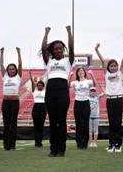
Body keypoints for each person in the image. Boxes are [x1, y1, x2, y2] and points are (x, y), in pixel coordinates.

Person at [41, 26, 74, 157]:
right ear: (53, 51)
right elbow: (44, 48)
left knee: (61, 120)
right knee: (53, 121)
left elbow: (71, 48)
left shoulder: (67, 62)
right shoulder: (49, 62)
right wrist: (46, 33)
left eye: (60, 48)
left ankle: (62, 149)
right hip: (50, 91)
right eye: (56, 49)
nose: (59, 50)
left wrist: (69, 32)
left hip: (62, 91)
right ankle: (53, 148)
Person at [95, 40, 123, 153]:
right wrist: (97, 50)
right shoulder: (106, 74)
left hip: (119, 99)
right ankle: (111, 144)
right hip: (109, 100)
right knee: (111, 123)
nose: (113, 67)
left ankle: (118, 144)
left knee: (118, 122)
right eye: (111, 66)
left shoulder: (120, 73)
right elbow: (102, 61)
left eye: (115, 66)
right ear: (109, 67)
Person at [69, 68, 98, 149]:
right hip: (77, 103)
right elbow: (67, 85)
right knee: (78, 124)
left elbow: (95, 84)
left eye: (82, 71)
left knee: (85, 123)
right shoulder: (74, 82)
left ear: (84, 72)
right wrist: (70, 76)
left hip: (86, 102)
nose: (80, 72)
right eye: (79, 71)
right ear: (77, 73)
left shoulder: (88, 81)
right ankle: (79, 143)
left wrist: (92, 75)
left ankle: (85, 143)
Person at [0, 47, 22, 151]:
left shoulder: (18, 77)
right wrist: (1, 53)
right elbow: (1, 65)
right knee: (6, 123)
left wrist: (19, 53)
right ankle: (6, 145)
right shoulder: (5, 76)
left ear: (15, 70)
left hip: (15, 102)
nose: (11, 70)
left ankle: (12, 145)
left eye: (13, 69)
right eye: (10, 69)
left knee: (13, 123)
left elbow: (20, 65)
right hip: (5, 102)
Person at [29, 70, 47, 148]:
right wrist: (30, 75)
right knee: (36, 126)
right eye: (38, 85)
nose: (39, 86)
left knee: (41, 126)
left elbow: (49, 83)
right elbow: (32, 84)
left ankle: (40, 142)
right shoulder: (34, 91)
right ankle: (36, 142)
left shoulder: (45, 92)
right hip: (36, 108)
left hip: (43, 107)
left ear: (43, 86)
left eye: (41, 85)